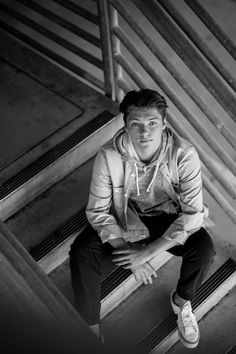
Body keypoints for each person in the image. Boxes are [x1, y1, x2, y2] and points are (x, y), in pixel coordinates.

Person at [69, 89, 215, 349]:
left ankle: (181, 302)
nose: (144, 132)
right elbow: (98, 212)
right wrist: (128, 253)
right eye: (136, 124)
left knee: (204, 248)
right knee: (81, 252)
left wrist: (146, 253)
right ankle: (89, 325)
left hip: (170, 218)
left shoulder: (184, 154)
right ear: (125, 126)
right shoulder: (108, 155)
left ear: (164, 125)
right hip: (127, 217)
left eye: (152, 124)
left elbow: (193, 214)